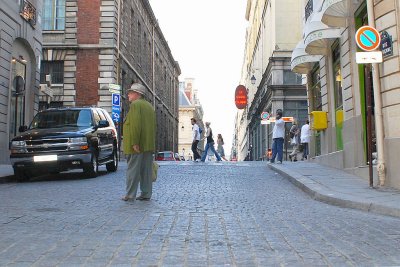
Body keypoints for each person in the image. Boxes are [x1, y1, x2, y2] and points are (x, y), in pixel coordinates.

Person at [122, 83, 156, 202]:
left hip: (136, 145)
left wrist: (135, 142)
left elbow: (136, 125)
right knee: (146, 171)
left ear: (137, 94)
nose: (128, 95)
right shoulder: (149, 106)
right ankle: (146, 193)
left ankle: (130, 195)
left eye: (130, 92)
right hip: (147, 144)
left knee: (133, 170)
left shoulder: (136, 105)